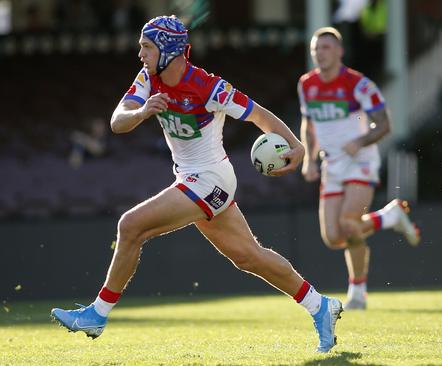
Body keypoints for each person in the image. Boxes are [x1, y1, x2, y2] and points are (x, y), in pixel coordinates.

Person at [51, 15, 343, 353]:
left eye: (146, 47)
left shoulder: (209, 87)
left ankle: (97, 314)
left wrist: (297, 145)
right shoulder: (148, 78)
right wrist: (143, 112)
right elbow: (118, 122)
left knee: (131, 226)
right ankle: (321, 306)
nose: (140, 54)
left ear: (168, 50)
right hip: (192, 179)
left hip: (210, 179)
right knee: (249, 257)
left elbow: (260, 115)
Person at [297, 27, 420, 311]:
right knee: (332, 237)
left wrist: (360, 140)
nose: (320, 53)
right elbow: (308, 124)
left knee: (349, 223)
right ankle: (390, 217)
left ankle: (358, 292)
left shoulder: (358, 84)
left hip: (360, 161)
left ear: (340, 52)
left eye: (326, 47)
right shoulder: (306, 84)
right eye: (316, 48)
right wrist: (309, 159)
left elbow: (384, 125)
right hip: (332, 165)